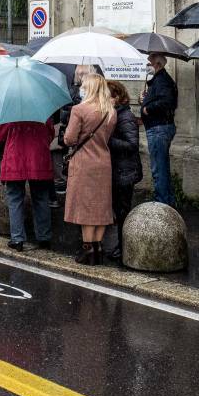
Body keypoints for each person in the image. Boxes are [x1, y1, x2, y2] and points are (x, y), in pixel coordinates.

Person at [64, 74, 117, 264]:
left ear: (90, 88)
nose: (81, 89)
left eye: (84, 86)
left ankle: (88, 249)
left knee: (85, 207)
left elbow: (69, 139)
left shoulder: (79, 109)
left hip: (84, 162)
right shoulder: (110, 110)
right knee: (101, 206)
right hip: (103, 161)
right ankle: (98, 248)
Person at [0, 118, 56, 252]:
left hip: (15, 159)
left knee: (15, 199)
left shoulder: (11, 112)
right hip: (38, 159)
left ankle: (17, 239)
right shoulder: (42, 111)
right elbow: (51, 134)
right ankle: (44, 238)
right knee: (41, 198)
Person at [106, 80, 143, 261]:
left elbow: (132, 144)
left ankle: (124, 247)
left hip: (125, 172)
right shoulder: (114, 114)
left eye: (107, 97)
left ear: (117, 97)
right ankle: (120, 245)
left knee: (123, 211)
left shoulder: (125, 116)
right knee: (118, 210)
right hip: (118, 170)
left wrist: (108, 140)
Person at [139, 53, 178, 206]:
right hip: (158, 127)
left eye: (149, 64)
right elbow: (159, 98)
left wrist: (148, 108)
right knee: (161, 167)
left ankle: (162, 204)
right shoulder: (157, 81)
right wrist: (144, 99)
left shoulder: (162, 80)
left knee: (159, 169)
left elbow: (167, 101)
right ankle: (167, 201)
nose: (147, 67)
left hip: (158, 128)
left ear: (158, 65)